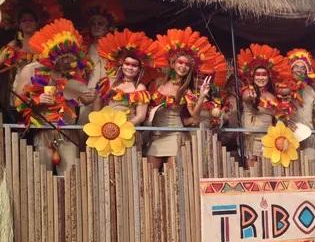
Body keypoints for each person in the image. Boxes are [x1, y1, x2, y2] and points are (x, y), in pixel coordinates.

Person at [14, 19, 92, 175]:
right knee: (42, 178)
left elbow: (84, 99)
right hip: (43, 132)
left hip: (68, 133)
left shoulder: (73, 73)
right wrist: (37, 100)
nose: (66, 62)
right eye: (62, 58)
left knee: (71, 177)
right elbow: (17, 102)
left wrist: (87, 98)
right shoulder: (31, 70)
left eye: (69, 58)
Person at [146, 27, 221, 169]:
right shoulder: (158, 83)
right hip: (156, 134)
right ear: (173, 63)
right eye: (180, 62)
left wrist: (202, 96)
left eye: (187, 65)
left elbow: (194, 116)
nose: (183, 66)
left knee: (172, 177)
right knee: (150, 174)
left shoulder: (186, 89)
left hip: (175, 135)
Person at [0, 0, 63, 116]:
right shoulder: (15, 44)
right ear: (19, 24)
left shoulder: (47, 44)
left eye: (31, 20)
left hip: (43, 89)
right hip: (21, 90)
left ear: (37, 22)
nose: (27, 23)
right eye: (24, 20)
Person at [77, 0, 126, 125]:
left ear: (108, 26)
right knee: (84, 127)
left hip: (110, 93)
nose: (96, 26)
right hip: (88, 94)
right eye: (93, 23)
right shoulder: (83, 47)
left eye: (100, 23)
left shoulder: (117, 47)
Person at [237, 44, 289, 167]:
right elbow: (246, 97)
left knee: (267, 170)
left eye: (264, 74)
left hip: (270, 139)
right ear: (253, 77)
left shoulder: (272, 95)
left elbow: (279, 116)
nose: (261, 77)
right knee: (253, 171)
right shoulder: (247, 90)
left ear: (268, 76)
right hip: (252, 138)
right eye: (258, 75)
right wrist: (252, 97)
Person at [92, 29, 153, 126]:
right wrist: (100, 125)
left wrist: (122, 128)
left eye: (134, 65)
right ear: (122, 65)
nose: (130, 68)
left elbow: (140, 117)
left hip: (127, 131)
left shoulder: (140, 88)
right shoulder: (108, 82)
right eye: (127, 64)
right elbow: (96, 107)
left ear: (139, 69)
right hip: (105, 129)